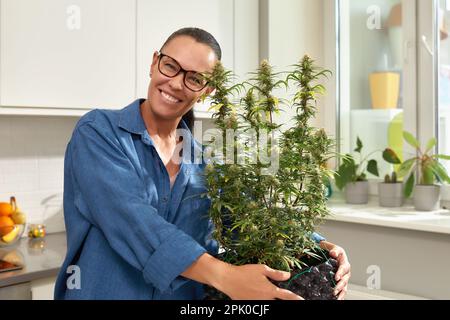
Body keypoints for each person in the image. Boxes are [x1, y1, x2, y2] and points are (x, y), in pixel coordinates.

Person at [54, 27, 350, 300]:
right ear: (154, 62)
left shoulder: (207, 164)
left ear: (207, 90)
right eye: (170, 66)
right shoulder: (99, 132)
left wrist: (319, 247)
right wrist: (226, 276)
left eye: (194, 78)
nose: (176, 83)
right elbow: (133, 221)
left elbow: (250, 222)